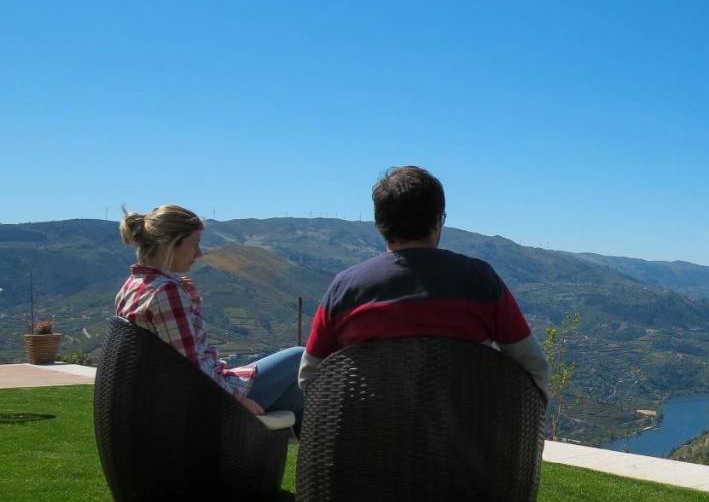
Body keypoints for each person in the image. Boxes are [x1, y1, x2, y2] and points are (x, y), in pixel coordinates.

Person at [299, 166, 549, 396]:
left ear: (380, 225)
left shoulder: (345, 289)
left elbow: (310, 377)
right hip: (463, 442)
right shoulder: (481, 281)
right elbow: (533, 368)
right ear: (438, 221)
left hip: (369, 441)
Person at [116, 205, 305, 423]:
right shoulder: (165, 292)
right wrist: (239, 400)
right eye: (194, 244)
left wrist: (192, 303)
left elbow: (177, 353)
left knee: (298, 392)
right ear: (168, 243)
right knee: (300, 357)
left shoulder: (133, 286)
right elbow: (191, 368)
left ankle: (308, 442)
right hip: (205, 399)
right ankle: (315, 445)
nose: (199, 253)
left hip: (166, 395)